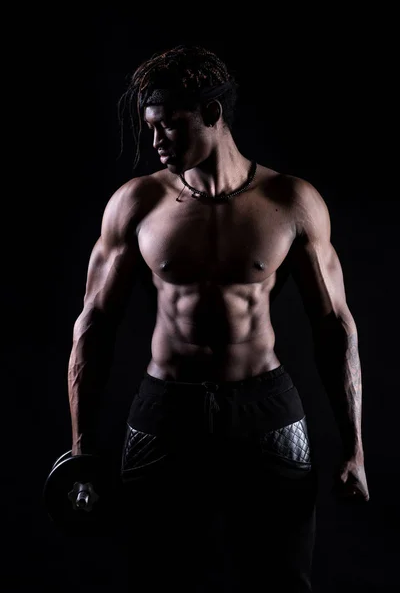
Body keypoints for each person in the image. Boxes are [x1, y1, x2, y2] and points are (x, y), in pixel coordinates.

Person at [67, 45, 370, 592]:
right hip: (166, 411)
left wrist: (356, 446)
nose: (155, 142)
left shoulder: (291, 201)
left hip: (264, 409)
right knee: (161, 577)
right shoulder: (137, 204)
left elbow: (334, 326)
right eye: (150, 128)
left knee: (281, 579)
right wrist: (81, 448)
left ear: (212, 115)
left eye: (169, 126)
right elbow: (93, 327)